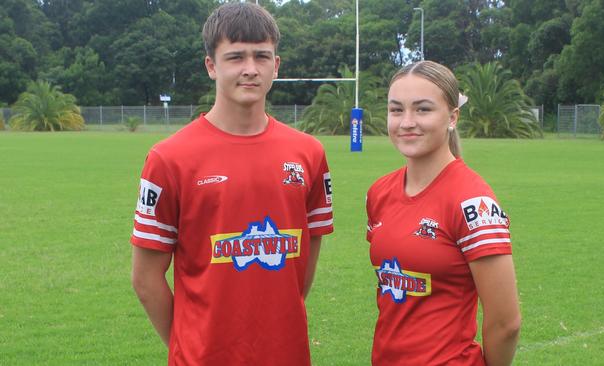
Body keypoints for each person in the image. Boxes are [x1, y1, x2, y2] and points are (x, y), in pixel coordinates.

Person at [130, 3, 334, 365]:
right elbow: (146, 280)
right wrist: (187, 343)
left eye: (262, 56)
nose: (250, 69)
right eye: (236, 57)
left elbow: (302, 266)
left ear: (277, 65)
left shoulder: (309, 154)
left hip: (287, 355)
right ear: (211, 65)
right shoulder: (169, 158)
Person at [365, 61, 520, 366]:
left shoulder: (473, 201)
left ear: (452, 117)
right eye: (396, 110)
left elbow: (506, 322)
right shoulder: (379, 193)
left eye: (422, 109)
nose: (407, 122)